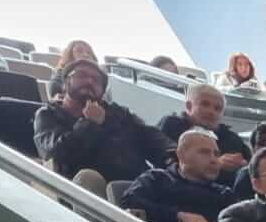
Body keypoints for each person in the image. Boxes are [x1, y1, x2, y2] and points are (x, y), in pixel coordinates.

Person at [34, 59, 170, 190]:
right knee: (88, 177)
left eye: (96, 80)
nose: (89, 81)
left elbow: (150, 136)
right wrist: (90, 123)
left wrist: (172, 156)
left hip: (138, 185)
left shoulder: (118, 113)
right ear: (65, 82)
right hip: (92, 190)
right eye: (81, 75)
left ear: (103, 91)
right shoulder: (48, 114)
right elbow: (56, 153)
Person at [118, 127, 235, 222]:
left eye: (216, 154)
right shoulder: (157, 179)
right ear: (181, 155)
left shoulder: (224, 195)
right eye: (204, 152)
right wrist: (179, 216)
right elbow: (129, 201)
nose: (214, 160)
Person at [157, 82, 252, 181]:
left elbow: (253, 168)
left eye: (218, 109)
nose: (211, 112)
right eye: (205, 104)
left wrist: (243, 165)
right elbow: (166, 159)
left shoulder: (232, 139)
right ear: (189, 106)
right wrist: (216, 163)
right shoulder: (172, 125)